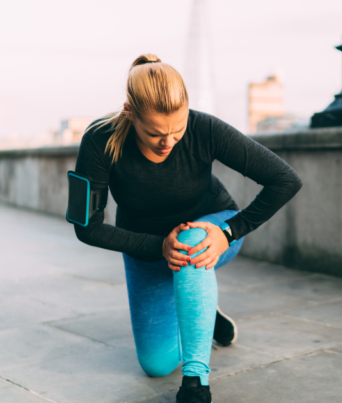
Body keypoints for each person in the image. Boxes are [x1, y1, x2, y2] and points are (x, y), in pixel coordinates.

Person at [72, 54, 302, 403]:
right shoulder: (99, 140)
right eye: (154, 134)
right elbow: (86, 227)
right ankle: (200, 308)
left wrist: (228, 231)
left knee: (191, 242)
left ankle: (196, 383)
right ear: (130, 112)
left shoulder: (204, 128)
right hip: (146, 248)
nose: (168, 143)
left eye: (176, 131)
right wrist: (157, 248)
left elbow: (285, 179)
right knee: (156, 364)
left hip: (211, 232)